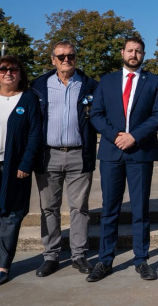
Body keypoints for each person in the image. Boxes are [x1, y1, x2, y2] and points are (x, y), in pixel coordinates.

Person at [87, 36, 158, 282]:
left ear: (143, 55)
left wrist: (134, 137)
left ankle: (141, 259)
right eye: (130, 50)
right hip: (112, 153)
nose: (134, 54)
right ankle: (105, 260)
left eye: (138, 51)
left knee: (140, 209)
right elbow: (96, 115)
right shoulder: (107, 81)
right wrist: (116, 136)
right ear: (122, 52)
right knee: (110, 209)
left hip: (140, 152)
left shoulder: (155, 81)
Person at [31, 41, 99, 277]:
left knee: (79, 207)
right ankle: (51, 256)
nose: (66, 59)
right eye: (61, 56)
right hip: (48, 154)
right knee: (49, 207)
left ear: (76, 58)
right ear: (53, 59)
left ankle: (79, 255)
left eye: (70, 55)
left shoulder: (90, 85)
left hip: (79, 154)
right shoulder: (39, 85)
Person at [0, 56, 42, 285]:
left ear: (20, 73)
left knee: (12, 215)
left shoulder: (29, 98)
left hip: (15, 168)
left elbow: (35, 134)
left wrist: (26, 163)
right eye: (3, 69)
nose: (8, 73)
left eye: (14, 69)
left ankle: (4, 265)